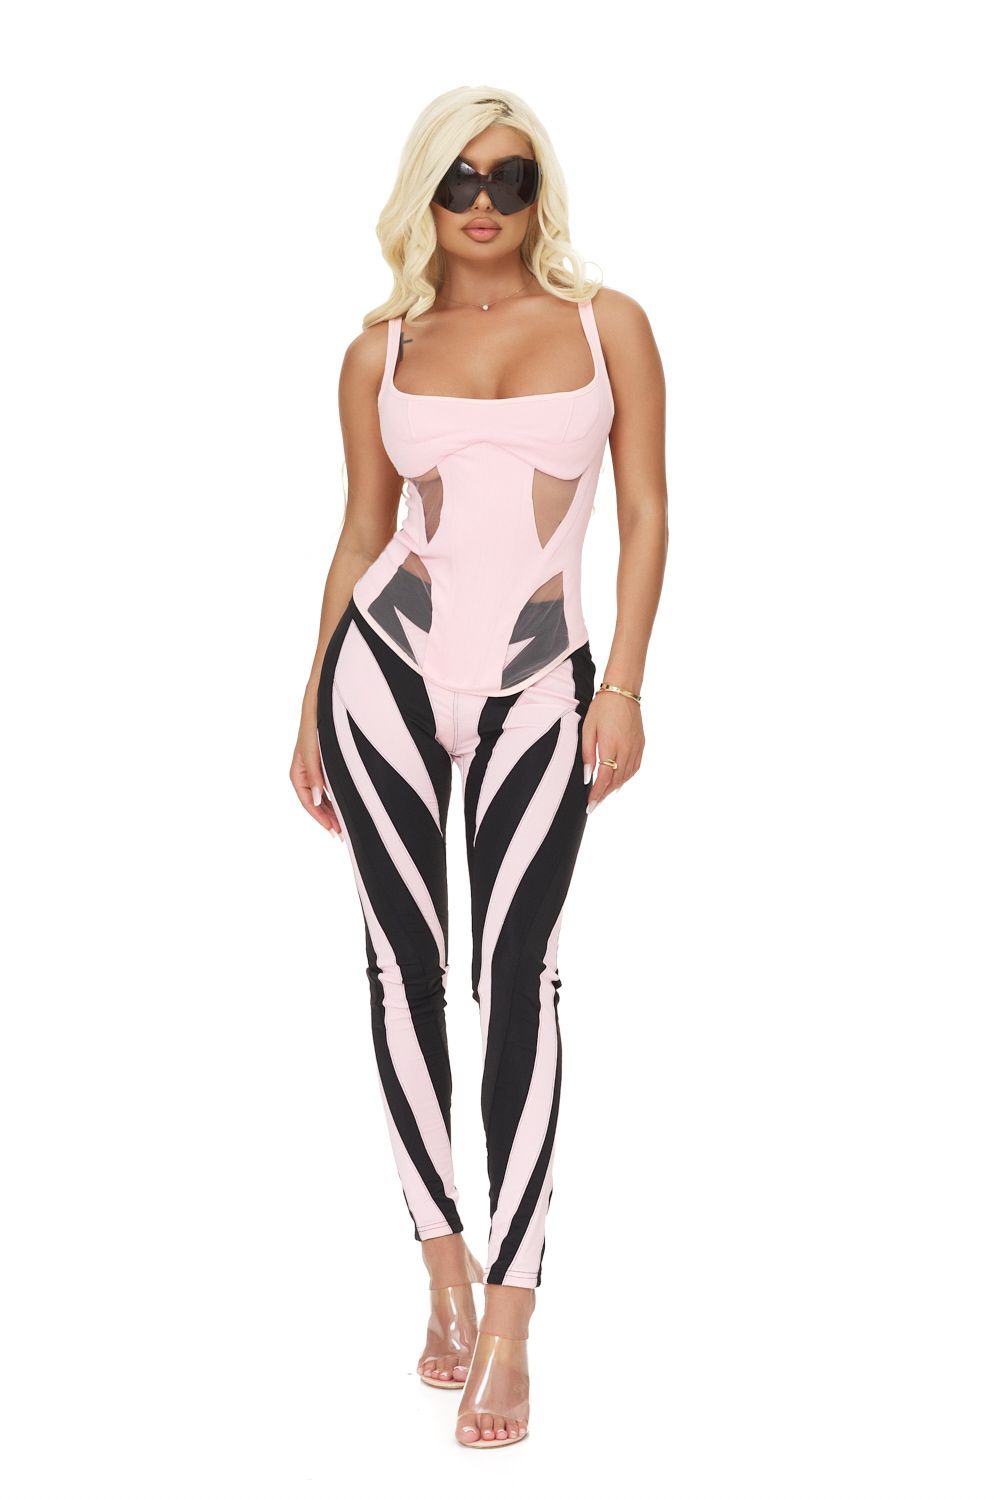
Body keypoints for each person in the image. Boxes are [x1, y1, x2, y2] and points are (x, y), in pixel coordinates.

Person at [290, 83, 668, 1449]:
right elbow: (360, 533)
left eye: (512, 178)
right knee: (403, 968)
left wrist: (622, 686)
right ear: (426, 194)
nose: (487, 204)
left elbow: (645, 510)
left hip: (543, 683)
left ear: (539, 191)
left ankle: (510, 1317)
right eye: (460, 179)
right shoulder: (379, 351)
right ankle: (441, 1273)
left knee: (520, 978)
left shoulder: (607, 325)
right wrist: (308, 705)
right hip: (381, 674)